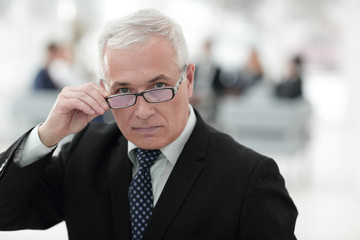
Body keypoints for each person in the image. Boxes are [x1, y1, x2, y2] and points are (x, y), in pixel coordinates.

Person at [0, 9, 297, 240]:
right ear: (105, 89)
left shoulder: (249, 177)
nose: (142, 111)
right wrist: (47, 135)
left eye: (158, 85)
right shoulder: (84, 152)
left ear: (189, 80)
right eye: (124, 91)